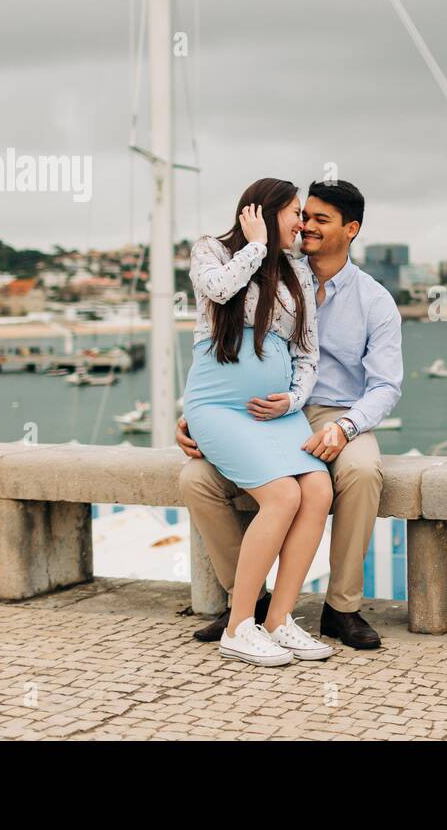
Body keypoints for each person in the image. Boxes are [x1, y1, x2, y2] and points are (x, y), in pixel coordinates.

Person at [178, 179, 403, 650]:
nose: (307, 226)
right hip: (261, 411)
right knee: (196, 481)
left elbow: (384, 386)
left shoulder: (375, 300)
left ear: (352, 229)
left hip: (333, 410)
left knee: (358, 473)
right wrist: (201, 417)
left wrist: (344, 427)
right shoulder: (273, 265)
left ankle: (341, 609)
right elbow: (218, 329)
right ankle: (250, 603)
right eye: (303, 215)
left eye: (320, 219)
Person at [182, 177, 336, 667]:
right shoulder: (211, 250)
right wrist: (254, 247)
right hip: (220, 409)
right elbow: (219, 289)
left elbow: (307, 351)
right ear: (266, 213)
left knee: (317, 491)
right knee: (283, 495)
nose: (302, 223)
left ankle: (280, 621)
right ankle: (238, 625)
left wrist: (292, 402)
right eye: (295, 212)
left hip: (277, 415)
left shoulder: (297, 274)